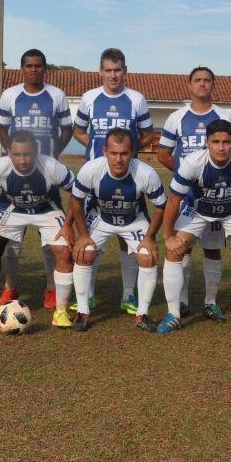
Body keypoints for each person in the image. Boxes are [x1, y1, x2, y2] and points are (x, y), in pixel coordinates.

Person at [161, 120, 231, 336]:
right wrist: (168, 236)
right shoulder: (192, 162)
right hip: (197, 210)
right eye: (215, 142)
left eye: (226, 142)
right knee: (173, 250)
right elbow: (174, 200)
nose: (221, 147)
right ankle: (173, 315)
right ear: (207, 143)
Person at [71, 48, 154, 314]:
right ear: (100, 72)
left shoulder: (136, 99)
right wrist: (96, 149)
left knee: (125, 235)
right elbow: (78, 130)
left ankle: (128, 294)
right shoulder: (89, 97)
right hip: (96, 180)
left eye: (117, 70)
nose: (113, 75)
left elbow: (148, 133)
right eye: (108, 70)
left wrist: (127, 154)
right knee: (91, 238)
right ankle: (90, 295)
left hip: (127, 178)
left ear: (125, 71)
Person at [156, 66, 231, 322]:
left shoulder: (226, 117)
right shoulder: (177, 117)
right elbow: (163, 154)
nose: (202, 84)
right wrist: (186, 176)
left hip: (216, 198)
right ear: (188, 84)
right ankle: (181, 301)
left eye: (207, 80)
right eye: (197, 80)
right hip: (187, 198)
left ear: (214, 84)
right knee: (183, 248)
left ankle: (211, 302)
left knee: (213, 249)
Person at [0, 48, 73, 309]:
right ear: (22, 68)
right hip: (18, 170)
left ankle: (51, 289)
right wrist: (11, 153)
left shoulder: (57, 95)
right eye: (28, 65)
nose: (33, 70)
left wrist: (53, 153)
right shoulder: (10, 95)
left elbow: (67, 128)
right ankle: (10, 287)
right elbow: (2, 128)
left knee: (50, 241)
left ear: (45, 68)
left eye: (38, 65)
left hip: (45, 175)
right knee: (13, 241)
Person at [66, 129, 166, 333]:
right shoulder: (91, 169)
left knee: (147, 256)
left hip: (133, 219)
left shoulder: (145, 173)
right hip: (101, 216)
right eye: (114, 153)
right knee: (84, 253)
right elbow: (76, 202)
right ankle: (83, 311)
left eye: (124, 153)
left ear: (132, 153)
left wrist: (149, 238)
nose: (119, 159)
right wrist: (83, 236)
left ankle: (142, 314)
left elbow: (161, 206)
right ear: (105, 151)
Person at [0, 131, 76, 327]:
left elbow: (77, 191)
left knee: (63, 250)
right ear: (9, 153)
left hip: (47, 207)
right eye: (17, 155)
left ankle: (61, 312)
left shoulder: (51, 166)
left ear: (36, 152)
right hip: (13, 208)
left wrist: (67, 225)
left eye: (27, 154)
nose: (22, 159)